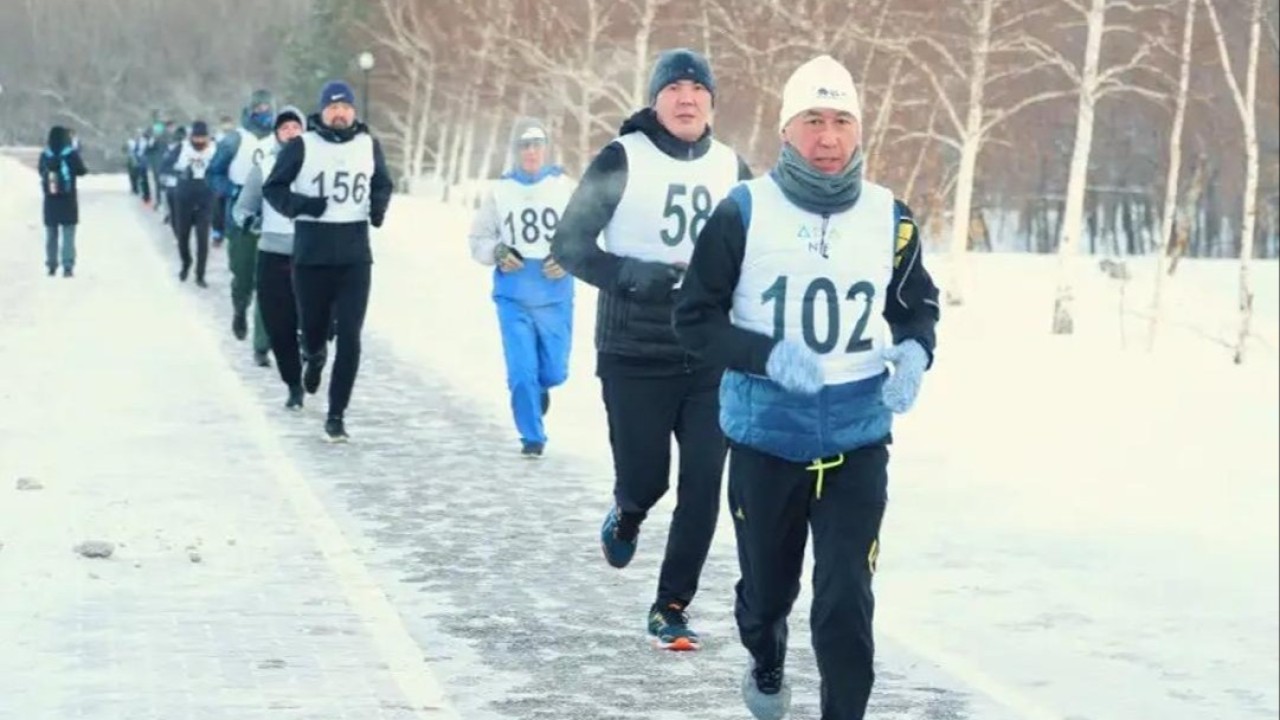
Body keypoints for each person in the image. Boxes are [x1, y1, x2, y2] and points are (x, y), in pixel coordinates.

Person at [672, 55, 941, 720]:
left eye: (842, 121)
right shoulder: (743, 212)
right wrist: (764, 355)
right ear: (785, 131)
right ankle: (765, 657)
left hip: (857, 438)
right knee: (767, 595)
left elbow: (916, 307)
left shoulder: (891, 217)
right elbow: (694, 319)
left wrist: (914, 352)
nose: (828, 137)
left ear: (859, 130)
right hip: (767, 438)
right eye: (813, 121)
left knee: (846, 598)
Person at [549, 48, 753, 651]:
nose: (686, 98)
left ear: (712, 102)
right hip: (634, 352)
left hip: (708, 357)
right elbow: (570, 243)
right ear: (655, 99)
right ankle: (629, 510)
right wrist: (634, 274)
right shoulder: (623, 158)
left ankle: (671, 605)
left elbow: (759, 251)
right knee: (649, 478)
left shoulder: (732, 167)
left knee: (703, 484)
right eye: (674, 88)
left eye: (698, 88)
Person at [262, 80, 393, 443]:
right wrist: (303, 206)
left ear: (353, 111)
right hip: (311, 254)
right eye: (332, 107)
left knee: (350, 336)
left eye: (345, 107)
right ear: (321, 112)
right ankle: (314, 354)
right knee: (315, 329)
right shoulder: (303, 145)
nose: (339, 113)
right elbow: (273, 189)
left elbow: (383, 183)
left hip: (354, 255)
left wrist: (378, 209)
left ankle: (336, 415)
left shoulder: (369, 145)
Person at [467, 117, 577, 458]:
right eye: (524, 146)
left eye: (537, 144)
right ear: (515, 151)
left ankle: (540, 389)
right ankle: (532, 436)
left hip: (554, 293)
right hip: (513, 294)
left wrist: (568, 258)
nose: (531, 152)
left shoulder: (564, 186)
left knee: (554, 371)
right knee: (521, 372)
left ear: (546, 148)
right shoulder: (500, 191)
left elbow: (587, 234)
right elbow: (478, 239)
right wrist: (498, 251)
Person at [233, 106, 308, 409]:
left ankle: (311, 353)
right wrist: (248, 221)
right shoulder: (265, 166)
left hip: (310, 252)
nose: (290, 132)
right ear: (277, 134)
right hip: (273, 252)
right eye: (284, 128)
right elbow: (242, 207)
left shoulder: (317, 165)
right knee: (279, 323)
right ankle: (293, 384)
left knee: (313, 318)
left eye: (295, 127)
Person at [209, 89, 275, 364]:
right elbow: (213, 173)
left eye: (267, 107)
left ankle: (261, 345)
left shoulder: (279, 139)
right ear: (249, 110)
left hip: (272, 218)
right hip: (240, 220)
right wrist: (232, 191)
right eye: (258, 108)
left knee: (268, 283)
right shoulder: (234, 140)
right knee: (243, 277)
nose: (263, 112)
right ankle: (239, 308)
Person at [37, 126, 88, 277]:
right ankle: (68, 265)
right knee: (68, 233)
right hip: (68, 199)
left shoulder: (45, 155)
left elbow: (41, 171)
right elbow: (82, 171)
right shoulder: (70, 154)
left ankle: (51, 264)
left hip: (50, 199)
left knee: (51, 234)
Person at [171, 121, 218, 287]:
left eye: (202, 138)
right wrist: (178, 172)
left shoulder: (214, 149)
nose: (199, 141)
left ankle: (200, 274)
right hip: (184, 197)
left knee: (202, 238)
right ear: (191, 137)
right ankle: (186, 262)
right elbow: (167, 166)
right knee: (182, 236)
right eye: (196, 138)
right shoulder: (182, 148)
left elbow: (221, 169)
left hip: (205, 197)